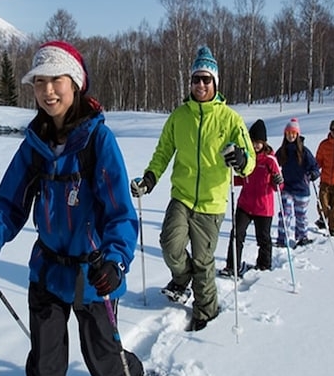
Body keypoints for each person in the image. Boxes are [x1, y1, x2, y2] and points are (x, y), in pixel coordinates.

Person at [0, 40, 148, 376]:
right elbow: (10, 204)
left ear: (76, 84)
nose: (47, 91)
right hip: (47, 271)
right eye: (39, 82)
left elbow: (121, 212)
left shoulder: (98, 141)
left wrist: (116, 261)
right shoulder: (35, 144)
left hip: (93, 272)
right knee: (44, 363)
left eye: (55, 81)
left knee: (101, 358)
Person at [129, 45, 255, 332]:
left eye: (206, 79)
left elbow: (249, 161)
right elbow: (163, 152)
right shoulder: (179, 116)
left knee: (203, 260)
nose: (200, 84)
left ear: (215, 83)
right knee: (169, 245)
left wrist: (242, 160)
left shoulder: (230, 119)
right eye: (196, 79)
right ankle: (182, 278)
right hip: (182, 197)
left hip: (211, 202)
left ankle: (206, 311)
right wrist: (149, 178)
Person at [218, 119, 283, 277]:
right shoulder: (246, 158)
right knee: (237, 234)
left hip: (263, 208)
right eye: (252, 142)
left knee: (263, 239)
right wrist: (228, 178)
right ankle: (232, 266)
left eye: (258, 143)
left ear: (264, 143)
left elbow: (279, 187)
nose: (255, 146)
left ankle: (264, 265)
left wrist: (277, 182)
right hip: (245, 205)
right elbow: (242, 177)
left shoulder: (270, 160)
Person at [275, 117, 320, 248]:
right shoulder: (282, 151)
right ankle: (282, 239)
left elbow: (315, 167)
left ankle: (302, 237)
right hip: (287, 187)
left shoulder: (304, 152)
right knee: (285, 214)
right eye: (288, 133)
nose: (291, 136)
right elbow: (273, 164)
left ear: (297, 134)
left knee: (301, 216)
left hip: (301, 188)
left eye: (293, 133)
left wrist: (313, 174)